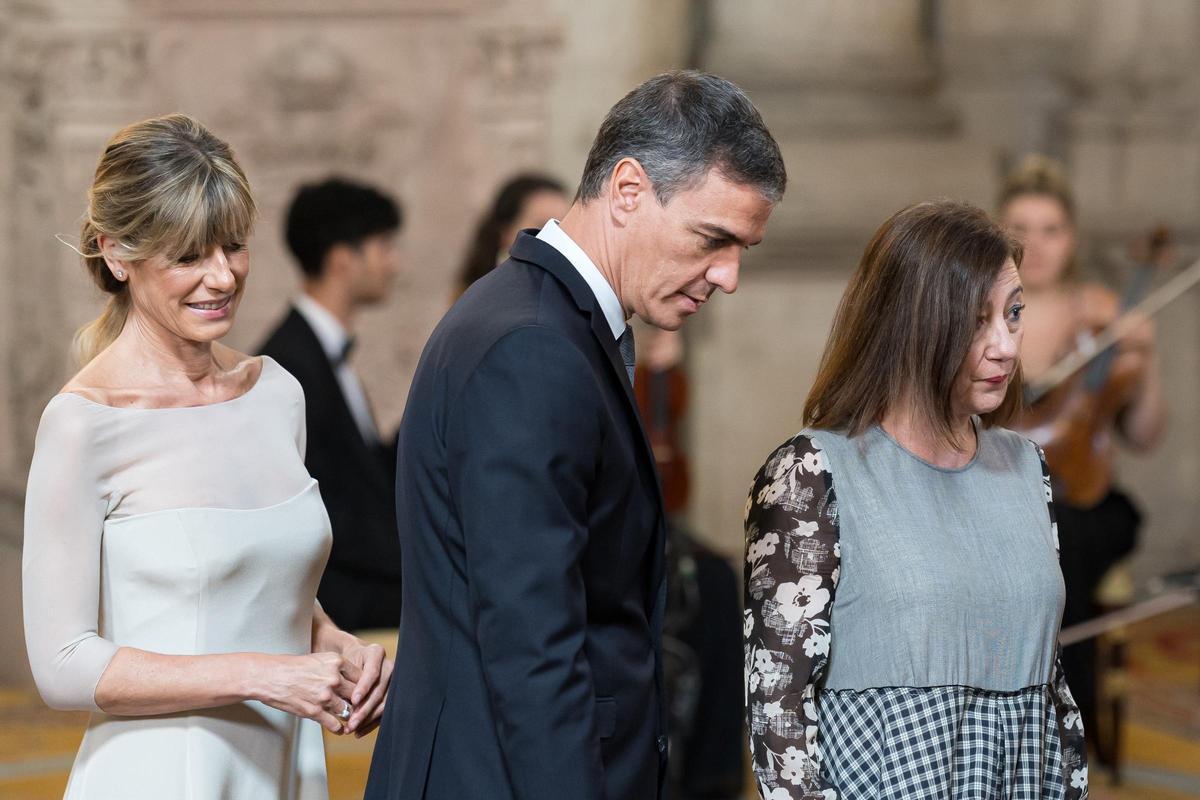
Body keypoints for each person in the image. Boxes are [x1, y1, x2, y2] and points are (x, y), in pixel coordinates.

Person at [365, 70, 786, 800]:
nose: (729, 276)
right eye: (714, 239)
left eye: (742, 249)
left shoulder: (542, 322)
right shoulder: (532, 347)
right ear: (627, 190)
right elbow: (533, 649)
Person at [22, 114, 392, 799]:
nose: (222, 276)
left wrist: (333, 645)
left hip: (285, 767)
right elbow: (63, 665)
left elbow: (264, 589)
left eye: (233, 245)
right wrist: (267, 674)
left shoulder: (278, 393)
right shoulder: (83, 425)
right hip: (160, 776)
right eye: (190, 255)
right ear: (117, 254)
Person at [745, 200, 1088, 799]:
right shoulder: (810, 473)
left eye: (1013, 314)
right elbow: (780, 720)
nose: (1005, 346)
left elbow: (1053, 693)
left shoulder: (1025, 465)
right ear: (911, 324)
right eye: (976, 321)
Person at [998, 154, 1166, 762]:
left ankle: (1055, 724)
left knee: (1070, 534)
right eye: (1021, 227)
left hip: (1080, 499)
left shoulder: (1104, 313)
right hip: (997, 491)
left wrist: (1144, 365)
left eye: (1052, 229)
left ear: (1072, 237)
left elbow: (1144, 435)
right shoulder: (978, 307)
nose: (1036, 245)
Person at [259, 177, 404, 631]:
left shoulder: (321, 352)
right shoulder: (288, 363)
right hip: (338, 606)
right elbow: (316, 504)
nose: (395, 264)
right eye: (384, 246)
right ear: (343, 260)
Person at [456, 172, 567, 294]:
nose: (557, 237)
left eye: (562, 227)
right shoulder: (476, 297)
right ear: (505, 230)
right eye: (542, 225)